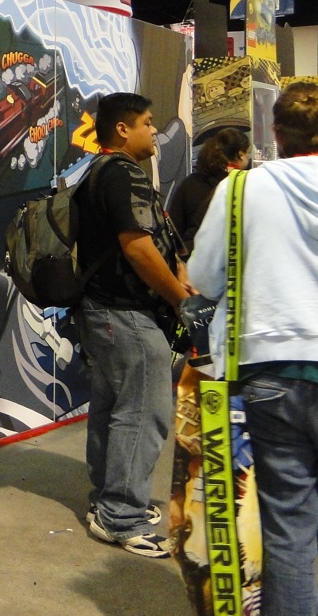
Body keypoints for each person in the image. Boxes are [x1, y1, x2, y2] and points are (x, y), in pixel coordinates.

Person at [186, 81, 318, 616]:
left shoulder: (241, 190)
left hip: (271, 372)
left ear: (276, 134)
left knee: (288, 527)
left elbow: (202, 278)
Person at [76, 92, 193, 558]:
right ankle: (121, 516)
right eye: (147, 123)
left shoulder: (98, 172)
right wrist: (180, 299)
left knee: (113, 408)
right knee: (144, 412)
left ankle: (106, 500)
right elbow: (138, 247)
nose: (154, 132)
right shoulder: (122, 174)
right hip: (124, 314)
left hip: (103, 311)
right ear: (123, 129)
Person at [167, 128, 251, 243]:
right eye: (247, 153)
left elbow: (174, 228)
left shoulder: (189, 183)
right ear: (240, 155)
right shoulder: (240, 185)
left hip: (190, 251)